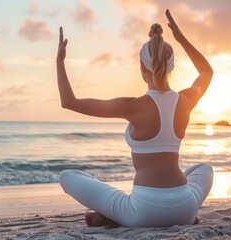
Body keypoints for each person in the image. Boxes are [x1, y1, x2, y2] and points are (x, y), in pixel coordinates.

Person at [56, 9, 214, 228]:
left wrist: (59, 61)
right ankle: (121, 215)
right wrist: (181, 39)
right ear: (172, 68)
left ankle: (114, 216)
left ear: (142, 68)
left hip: (143, 212)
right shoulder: (186, 101)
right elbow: (206, 72)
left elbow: (69, 102)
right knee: (205, 169)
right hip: (185, 209)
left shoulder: (131, 106)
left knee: (68, 176)